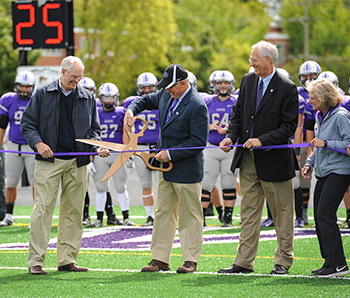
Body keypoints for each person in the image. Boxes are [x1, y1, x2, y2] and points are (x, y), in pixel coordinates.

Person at [21, 56, 110, 275]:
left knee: (74, 211)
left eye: (79, 77)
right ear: (62, 72)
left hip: (77, 162)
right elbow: (27, 124)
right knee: (42, 210)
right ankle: (36, 261)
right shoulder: (42, 93)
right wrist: (38, 143)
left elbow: (94, 130)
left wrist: (97, 147)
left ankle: (67, 260)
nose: (77, 81)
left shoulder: (88, 97)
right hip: (48, 161)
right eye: (73, 77)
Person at [218, 41, 298, 275]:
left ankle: (283, 261)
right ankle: (243, 262)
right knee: (249, 212)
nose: (250, 64)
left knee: (282, 213)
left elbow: (289, 127)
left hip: (274, 160)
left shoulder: (287, 87)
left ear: (268, 61)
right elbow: (238, 115)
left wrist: (262, 140)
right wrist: (231, 137)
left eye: (254, 60)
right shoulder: (248, 80)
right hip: (247, 158)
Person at [125, 63, 209, 273]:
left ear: (183, 84)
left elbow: (198, 142)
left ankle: (190, 260)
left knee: (189, 214)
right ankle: (159, 259)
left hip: (187, 170)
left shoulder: (197, 105)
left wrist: (170, 153)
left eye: (171, 87)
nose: (167, 91)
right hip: (165, 170)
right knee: (163, 212)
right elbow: (144, 100)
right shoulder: (165, 94)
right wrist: (130, 110)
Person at [301, 78, 350, 278]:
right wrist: (309, 163)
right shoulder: (320, 115)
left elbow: (347, 143)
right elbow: (318, 145)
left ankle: (338, 264)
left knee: (325, 214)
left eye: (313, 96)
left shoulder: (341, 116)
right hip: (323, 171)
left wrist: (326, 142)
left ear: (324, 97)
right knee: (320, 217)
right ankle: (330, 261)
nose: (310, 100)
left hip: (339, 171)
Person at [87, 82, 135, 227]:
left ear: (116, 98)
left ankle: (126, 217)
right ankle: (99, 218)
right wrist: (90, 158)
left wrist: (128, 154)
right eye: (106, 97)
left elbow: (128, 134)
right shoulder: (94, 112)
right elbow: (90, 135)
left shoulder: (122, 112)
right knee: (100, 187)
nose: (109, 101)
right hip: (101, 154)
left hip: (118, 153)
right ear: (100, 98)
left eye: (111, 97)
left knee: (121, 186)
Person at [78, 77, 120, 226]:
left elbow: (94, 130)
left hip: (93, 148)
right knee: (83, 184)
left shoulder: (95, 105)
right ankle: (85, 214)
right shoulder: (73, 104)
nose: (85, 93)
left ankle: (109, 214)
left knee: (101, 184)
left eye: (89, 90)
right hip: (79, 147)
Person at [201, 70, 237, 227]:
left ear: (231, 85)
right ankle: (201, 217)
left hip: (230, 148)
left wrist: (230, 128)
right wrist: (210, 126)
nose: (223, 86)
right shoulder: (207, 102)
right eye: (220, 83)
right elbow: (197, 122)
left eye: (226, 83)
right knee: (206, 182)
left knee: (229, 181)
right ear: (214, 85)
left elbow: (243, 123)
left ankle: (227, 218)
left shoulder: (236, 102)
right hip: (211, 147)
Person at [122, 72, 159, 226]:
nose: (147, 90)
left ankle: (164, 215)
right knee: (145, 183)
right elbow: (126, 128)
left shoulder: (162, 101)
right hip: (140, 147)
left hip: (158, 147)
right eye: (144, 87)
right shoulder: (131, 103)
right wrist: (127, 152)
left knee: (162, 183)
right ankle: (150, 216)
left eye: (150, 87)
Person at [0, 71, 36, 226]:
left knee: (36, 183)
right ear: (16, 85)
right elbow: (2, 126)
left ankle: (37, 216)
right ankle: (9, 215)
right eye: (22, 85)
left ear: (32, 87)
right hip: (13, 145)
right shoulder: (8, 100)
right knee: (12, 181)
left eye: (27, 86)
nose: (24, 89)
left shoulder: (37, 100)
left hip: (31, 146)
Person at [298, 61, 322, 225]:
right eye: (305, 76)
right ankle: (303, 214)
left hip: (324, 139)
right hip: (307, 140)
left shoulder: (326, 90)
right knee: (303, 180)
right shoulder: (298, 94)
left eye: (311, 76)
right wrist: (306, 148)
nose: (308, 79)